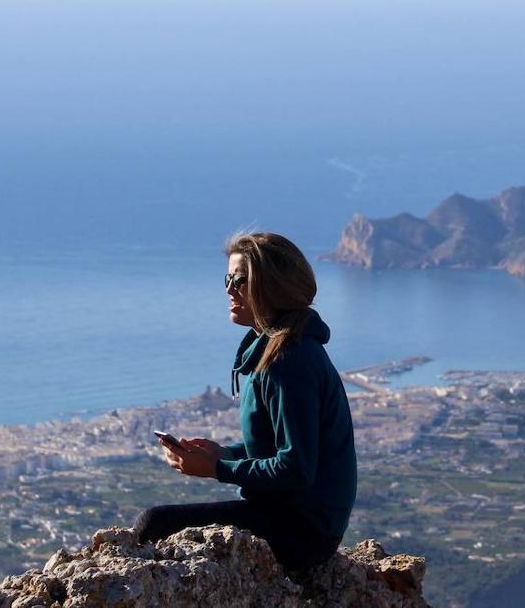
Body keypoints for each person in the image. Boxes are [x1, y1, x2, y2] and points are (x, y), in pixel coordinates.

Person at [132, 232, 358, 571]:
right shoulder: (276, 349)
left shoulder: (288, 361)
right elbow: (275, 447)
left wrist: (217, 469)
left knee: (153, 524)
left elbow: (295, 468)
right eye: (228, 279)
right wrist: (223, 453)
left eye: (240, 280)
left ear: (273, 286)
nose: (229, 289)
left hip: (304, 529)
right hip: (294, 516)